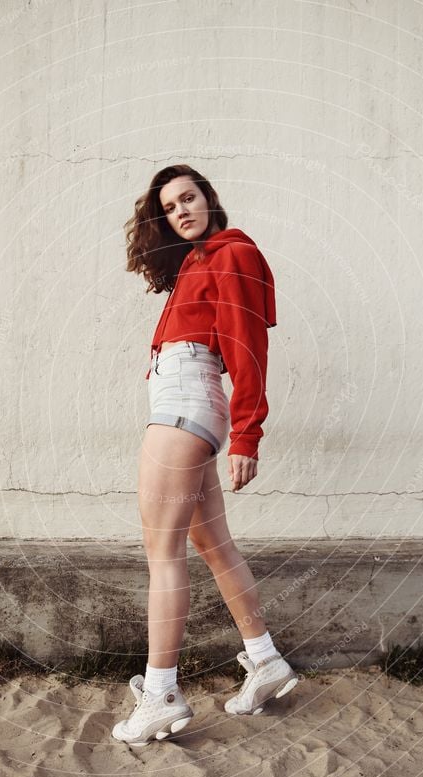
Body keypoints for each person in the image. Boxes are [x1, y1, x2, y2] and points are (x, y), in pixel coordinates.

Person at [112, 164, 298, 747]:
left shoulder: (231, 251)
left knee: (161, 553)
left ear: (209, 199)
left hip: (185, 404)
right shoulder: (200, 260)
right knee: (209, 543)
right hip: (187, 401)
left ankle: (162, 692)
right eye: (169, 207)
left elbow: (247, 343)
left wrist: (248, 435)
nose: (181, 211)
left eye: (188, 198)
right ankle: (264, 659)